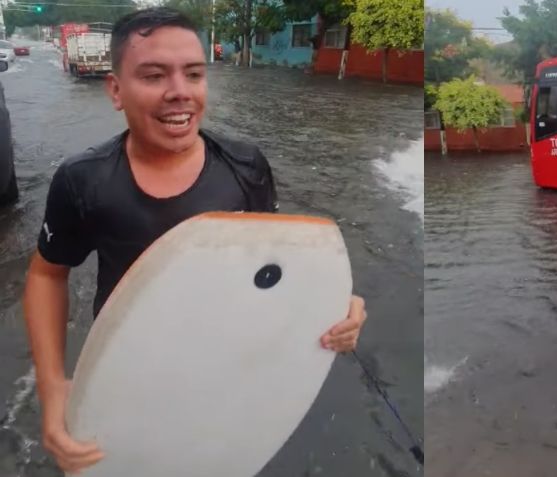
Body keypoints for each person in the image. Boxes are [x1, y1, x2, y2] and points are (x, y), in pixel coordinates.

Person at [21, 8, 367, 474]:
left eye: (194, 73)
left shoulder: (245, 167)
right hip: (129, 370)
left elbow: (276, 268)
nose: (179, 91)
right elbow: (47, 274)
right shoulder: (84, 181)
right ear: (116, 91)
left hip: (228, 368)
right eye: (153, 75)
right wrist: (52, 384)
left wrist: (336, 307)